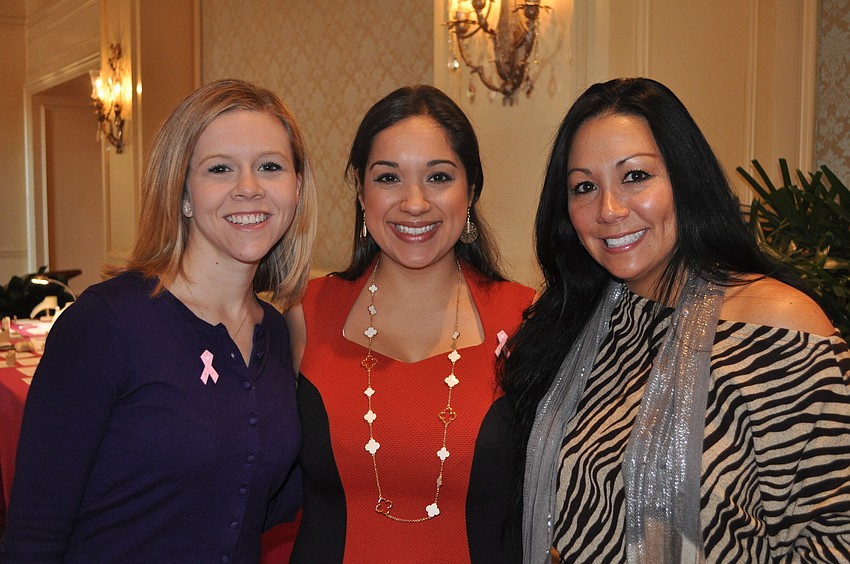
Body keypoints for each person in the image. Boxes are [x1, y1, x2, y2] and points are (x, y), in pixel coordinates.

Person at [501, 77, 850, 563]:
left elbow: (834, 535)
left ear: (685, 181)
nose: (609, 209)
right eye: (585, 187)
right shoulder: (579, 326)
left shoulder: (778, 327)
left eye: (635, 176)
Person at [0, 79, 317, 562]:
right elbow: (35, 534)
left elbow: (257, 499)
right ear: (183, 193)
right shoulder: (106, 324)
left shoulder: (277, 333)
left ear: (295, 188)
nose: (248, 188)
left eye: (270, 167)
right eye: (220, 169)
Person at [285, 84, 535, 563]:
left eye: (439, 176)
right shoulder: (306, 314)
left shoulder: (526, 321)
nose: (414, 202)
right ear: (361, 190)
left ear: (472, 189)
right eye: (388, 178)